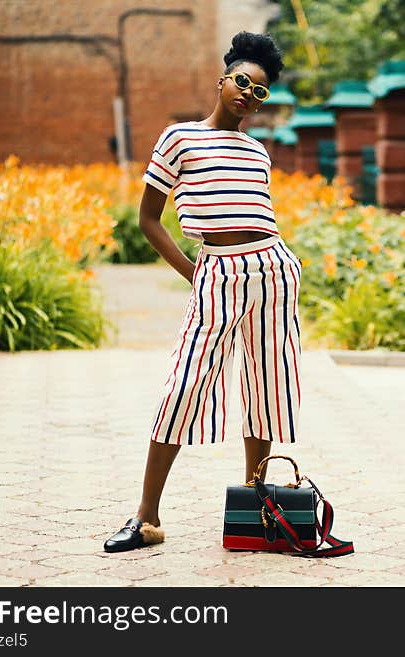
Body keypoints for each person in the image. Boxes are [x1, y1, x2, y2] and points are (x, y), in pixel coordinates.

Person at [103, 31, 302, 553]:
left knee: (266, 390)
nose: (247, 95)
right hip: (216, 273)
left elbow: (258, 216)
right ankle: (146, 517)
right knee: (183, 385)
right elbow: (149, 220)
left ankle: (256, 509)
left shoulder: (257, 152)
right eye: (242, 82)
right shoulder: (180, 139)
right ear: (222, 80)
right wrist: (193, 271)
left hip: (274, 273)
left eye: (260, 92)